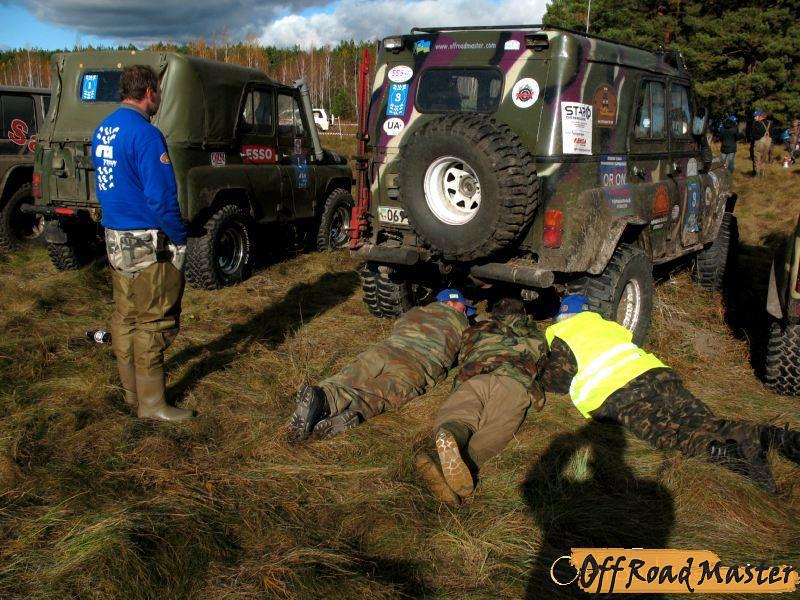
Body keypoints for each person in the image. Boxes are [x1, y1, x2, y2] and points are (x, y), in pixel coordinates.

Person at [540, 295, 800, 494]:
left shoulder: (564, 334)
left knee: (670, 433)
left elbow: (557, 383)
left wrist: (537, 371)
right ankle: (777, 437)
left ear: (561, 317)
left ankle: (731, 456)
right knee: (706, 421)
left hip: (622, 394)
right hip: (660, 377)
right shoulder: (610, 327)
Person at [92, 65, 193, 422]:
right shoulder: (147, 135)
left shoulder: (103, 129)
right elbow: (161, 198)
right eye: (159, 92)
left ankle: (131, 394)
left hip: (115, 237)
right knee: (153, 322)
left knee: (125, 317)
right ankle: (152, 405)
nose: (160, 98)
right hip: (146, 242)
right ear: (150, 92)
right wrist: (179, 238)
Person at [286, 289, 473, 442]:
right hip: (418, 363)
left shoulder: (416, 311)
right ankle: (343, 407)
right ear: (450, 302)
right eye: (464, 308)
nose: (467, 313)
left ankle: (322, 395)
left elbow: (399, 325)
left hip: (387, 349)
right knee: (382, 392)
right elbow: (469, 351)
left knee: (353, 373)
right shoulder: (462, 323)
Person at [415, 297, 547, 505]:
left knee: (463, 407)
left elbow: (460, 354)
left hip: (474, 375)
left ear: (494, 313)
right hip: (513, 379)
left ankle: (451, 432)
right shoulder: (534, 333)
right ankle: (468, 461)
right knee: (499, 423)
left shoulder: (474, 329)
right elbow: (543, 365)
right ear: (522, 314)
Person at [750, 109, 772, 177]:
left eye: (755, 116)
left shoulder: (757, 124)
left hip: (759, 143)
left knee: (757, 160)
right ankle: (763, 175)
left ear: (760, 116)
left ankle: (757, 175)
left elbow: (753, 135)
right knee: (763, 160)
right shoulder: (770, 123)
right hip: (768, 143)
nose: (754, 118)